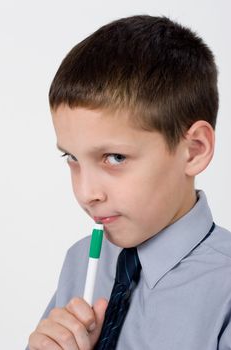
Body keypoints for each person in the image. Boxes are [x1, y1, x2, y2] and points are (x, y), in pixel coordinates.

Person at [27, 15, 231, 349]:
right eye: (72, 159)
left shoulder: (224, 290)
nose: (86, 193)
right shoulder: (80, 261)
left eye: (115, 158)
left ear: (193, 150)